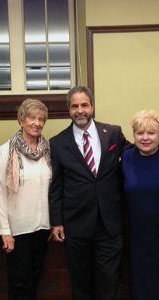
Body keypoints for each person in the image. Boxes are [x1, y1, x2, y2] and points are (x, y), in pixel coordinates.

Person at [49, 86, 129, 300]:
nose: (80, 110)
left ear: (92, 107)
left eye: (84, 105)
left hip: (109, 223)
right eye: (75, 106)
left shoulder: (113, 133)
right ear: (69, 109)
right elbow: (56, 184)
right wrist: (56, 221)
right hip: (76, 225)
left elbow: (135, 155)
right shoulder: (57, 143)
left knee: (110, 283)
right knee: (81, 284)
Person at [0, 99, 52, 300]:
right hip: (17, 230)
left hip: (42, 227)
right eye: (32, 117)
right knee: (19, 281)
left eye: (41, 119)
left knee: (35, 278)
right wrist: (4, 230)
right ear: (21, 120)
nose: (37, 123)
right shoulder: (6, 150)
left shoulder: (48, 150)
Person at [122, 110, 159, 300]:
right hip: (137, 236)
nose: (145, 138)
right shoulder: (126, 158)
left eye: (151, 133)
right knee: (142, 286)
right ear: (134, 135)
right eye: (140, 133)